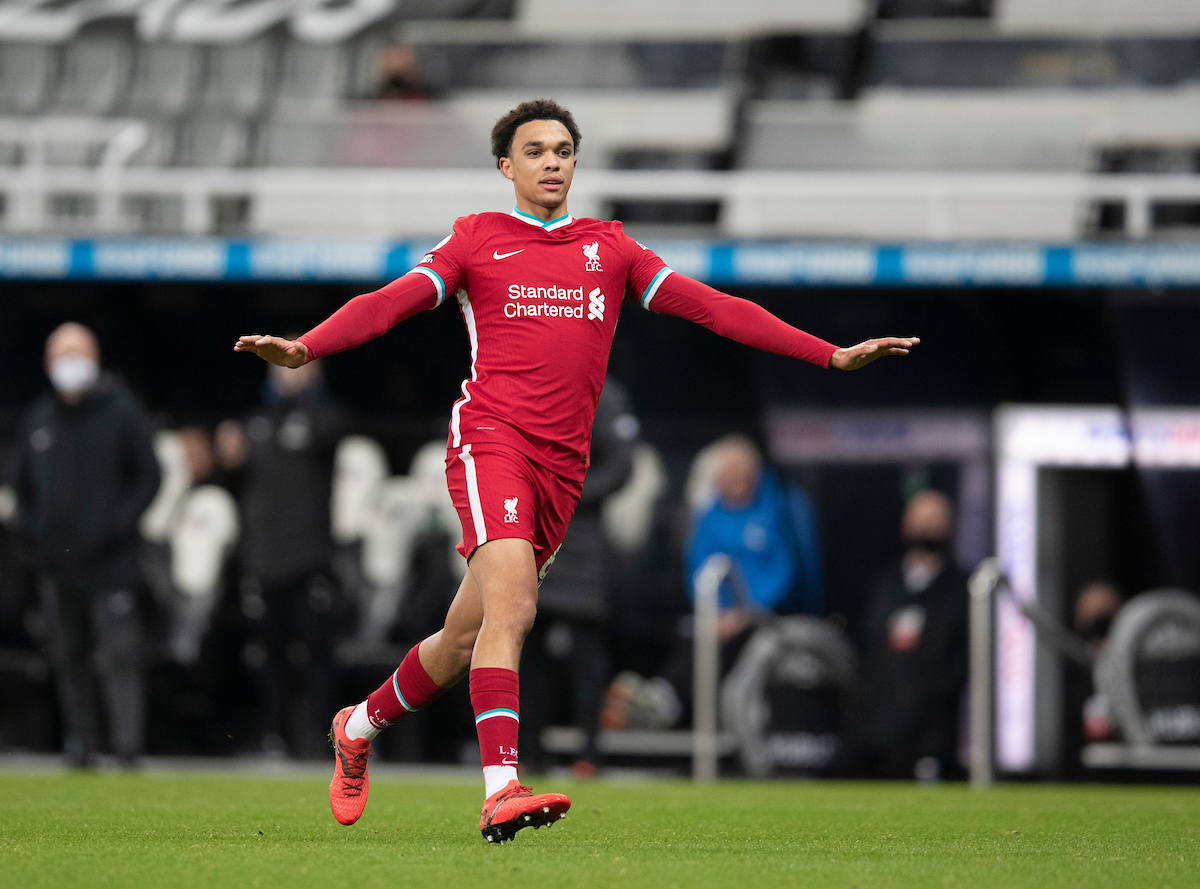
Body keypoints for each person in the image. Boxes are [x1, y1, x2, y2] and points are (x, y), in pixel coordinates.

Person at [234, 98, 919, 842]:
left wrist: (830, 352)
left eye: (563, 150)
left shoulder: (611, 248)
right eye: (535, 151)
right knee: (516, 611)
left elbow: (717, 308)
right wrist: (307, 347)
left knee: (462, 640)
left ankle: (357, 724)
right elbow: (392, 301)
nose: (552, 162)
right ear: (506, 166)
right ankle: (501, 788)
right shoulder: (476, 238)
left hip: (562, 471)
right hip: (490, 442)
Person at [5, 323, 161, 766]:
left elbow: (149, 477)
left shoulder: (122, 410)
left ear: (94, 358)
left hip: (112, 561)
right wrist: (37, 535)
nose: (71, 362)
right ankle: (83, 746)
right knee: (68, 657)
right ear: (47, 363)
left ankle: (128, 748)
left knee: (119, 656)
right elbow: (20, 489)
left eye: (79, 352)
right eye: (62, 354)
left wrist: (116, 525)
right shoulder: (38, 418)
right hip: (58, 565)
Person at [221, 354, 348, 757]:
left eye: (294, 364)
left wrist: (308, 388)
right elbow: (234, 480)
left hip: (310, 558)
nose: (285, 374)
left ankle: (318, 736)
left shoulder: (321, 417)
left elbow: (337, 428)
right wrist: (227, 459)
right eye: (280, 365)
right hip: (264, 559)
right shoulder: (255, 422)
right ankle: (271, 734)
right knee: (268, 654)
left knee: (316, 652)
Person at [519, 375, 636, 777]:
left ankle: (589, 754)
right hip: (535, 531)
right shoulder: (536, 380)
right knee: (527, 650)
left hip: (583, 539)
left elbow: (622, 467)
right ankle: (529, 753)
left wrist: (565, 495)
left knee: (587, 657)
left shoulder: (607, 392)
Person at [845, 489, 968, 781]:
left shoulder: (963, 588)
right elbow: (867, 648)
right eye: (920, 520)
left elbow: (964, 660)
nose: (927, 529)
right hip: (877, 731)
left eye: (935, 520)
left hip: (933, 732)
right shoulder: (884, 585)